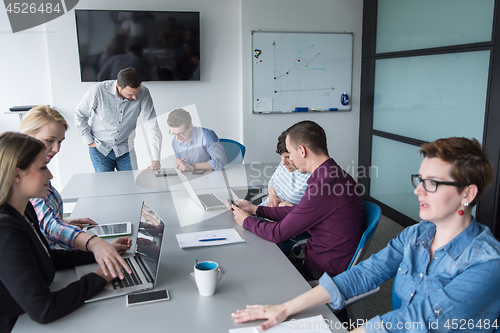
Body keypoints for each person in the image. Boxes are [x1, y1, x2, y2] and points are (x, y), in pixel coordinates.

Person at [231, 137, 500, 332]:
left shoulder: (487, 262)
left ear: (468, 193)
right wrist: (285, 308)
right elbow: (365, 273)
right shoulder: (418, 235)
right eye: (419, 180)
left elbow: (422, 318)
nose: (418, 191)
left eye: (432, 183)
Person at [0, 132, 132, 331]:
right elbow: (44, 309)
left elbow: (46, 257)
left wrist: (99, 253)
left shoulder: (24, 209)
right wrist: (103, 274)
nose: (50, 175)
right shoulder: (5, 230)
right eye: (43, 168)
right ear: (17, 175)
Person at [228, 121, 365, 280]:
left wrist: (246, 220)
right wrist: (254, 209)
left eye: (290, 153)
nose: (288, 159)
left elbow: (278, 233)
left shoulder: (325, 185)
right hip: (319, 261)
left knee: (252, 271)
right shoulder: (333, 174)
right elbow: (299, 212)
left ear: (301, 150)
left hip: (322, 274)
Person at [20, 105, 131, 277]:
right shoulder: (26, 177)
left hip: (53, 256)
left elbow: (36, 219)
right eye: (49, 140)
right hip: (45, 265)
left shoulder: (37, 169)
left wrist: (63, 220)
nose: (56, 149)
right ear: (27, 137)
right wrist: (96, 244)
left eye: (60, 142)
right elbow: (50, 228)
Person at [75, 67, 162, 172]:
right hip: (100, 149)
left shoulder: (143, 93)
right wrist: (89, 141)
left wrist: (155, 158)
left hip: (125, 149)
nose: (135, 97)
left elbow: (151, 125)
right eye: (130, 94)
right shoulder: (98, 90)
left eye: (137, 93)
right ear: (118, 86)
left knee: (131, 184)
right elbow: (80, 115)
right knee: (106, 186)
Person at [261, 130, 310, 207]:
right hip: (264, 210)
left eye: (288, 157)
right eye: (282, 156)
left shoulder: (312, 178)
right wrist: (272, 197)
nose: (283, 162)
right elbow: (273, 181)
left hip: (282, 217)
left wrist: (288, 207)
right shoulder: (285, 165)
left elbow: (307, 212)